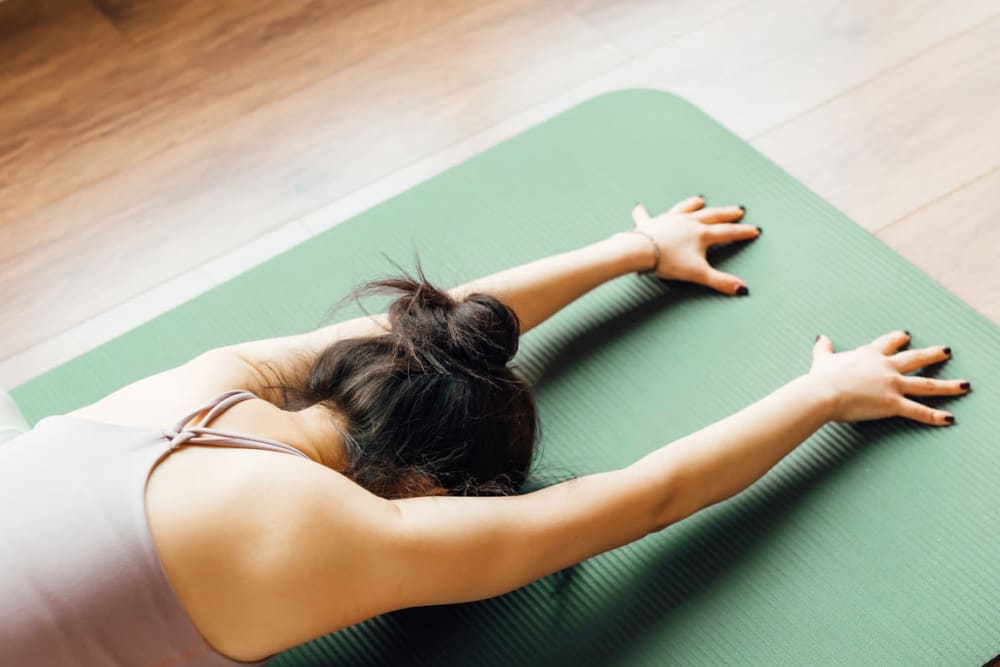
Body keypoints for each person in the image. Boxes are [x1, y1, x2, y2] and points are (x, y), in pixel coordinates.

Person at [0, 196, 968, 666]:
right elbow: (646, 496)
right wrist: (824, 393)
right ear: (430, 485)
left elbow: (439, 321)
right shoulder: (355, 533)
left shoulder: (209, 385)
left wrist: (632, 247)